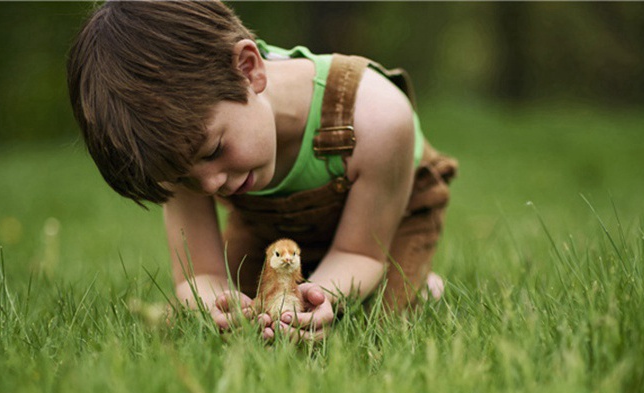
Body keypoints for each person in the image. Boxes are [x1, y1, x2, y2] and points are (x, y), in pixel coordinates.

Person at [67, 0, 457, 342]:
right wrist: (216, 306)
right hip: (269, 230)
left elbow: (360, 252)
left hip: (388, 220)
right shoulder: (177, 147)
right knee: (243, 327)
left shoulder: (377, 116)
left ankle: (423, 285)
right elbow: (197, 276)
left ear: (249, 69)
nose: (210, 185)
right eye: (184, 179)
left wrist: (321, 300)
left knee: (377, 322)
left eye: (215, 151)